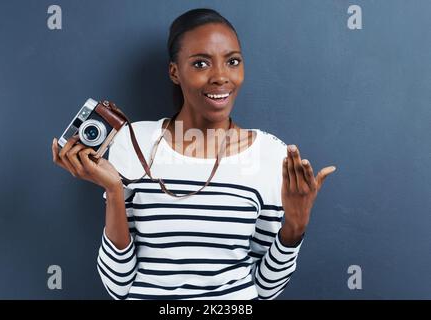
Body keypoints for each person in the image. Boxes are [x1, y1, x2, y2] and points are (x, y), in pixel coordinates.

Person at [51, 8, 336, 300]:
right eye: (201, 63)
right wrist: (113, 190)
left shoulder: (272, 155)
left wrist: (296, 226)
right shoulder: (132, 140)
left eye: (233, 61)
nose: (221, 77)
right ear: (175, 71)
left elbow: (265, 290)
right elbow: (118, 285)